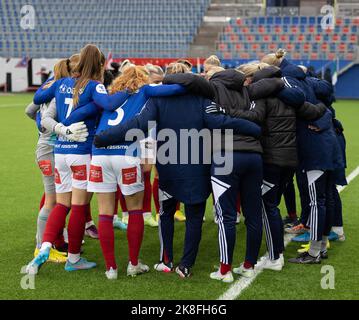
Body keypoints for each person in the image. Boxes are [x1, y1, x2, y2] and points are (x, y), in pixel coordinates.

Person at [94, 63, 262, 279]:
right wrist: (254, 129)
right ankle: (186, 264)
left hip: (168, 167)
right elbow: (221, 122)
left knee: (166, 214)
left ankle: (166, 260)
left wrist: (104, 137)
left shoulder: (158, 99)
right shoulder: (203, 100)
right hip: (197, 167)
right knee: (194, 216)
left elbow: (138, 124)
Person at [159, 64, 284, 281]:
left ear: (214, 77)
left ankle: (224, 271)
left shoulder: (212, 90)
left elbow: (207, 112)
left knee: (226, 216)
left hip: (225, 156)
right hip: (254, 155)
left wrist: (163, 82)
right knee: (252, 214)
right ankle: (248, 265)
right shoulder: (248, 90)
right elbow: (260, 109)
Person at [25, 44, 131, 274]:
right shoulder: (95, 86)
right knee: (79, 206)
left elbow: (38, 97)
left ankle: (44, 246)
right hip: (81, 151)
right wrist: (129, 88)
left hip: (60, 150)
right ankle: (73, 259)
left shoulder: (62, 83)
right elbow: (110, 104)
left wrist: (64, 121)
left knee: (61, 204)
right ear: (100, 65)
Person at [85, 65, 186, 279]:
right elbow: (176, 89)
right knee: (135, 210)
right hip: (127, 154)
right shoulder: (145, 90)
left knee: (104, 212)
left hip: (100, 154)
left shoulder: (110, 95)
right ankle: (133, 264)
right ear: (142, 79)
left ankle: (110, 268)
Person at [234, 63, 326, 271]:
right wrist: (323, 105)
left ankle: (275, 257)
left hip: (271, 160)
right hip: (290, 160)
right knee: (271, 205)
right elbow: (313, 112)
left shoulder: (261, 98)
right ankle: (276, 254)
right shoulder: (289, 98)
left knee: (268, 207)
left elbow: (255, 120)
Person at [262, 49, 342, 264]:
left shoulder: (287, 80)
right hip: (325, 143)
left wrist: (274, 85)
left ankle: (314, 252)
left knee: (317, 201)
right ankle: (321, 247)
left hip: (313, 147)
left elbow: (298, 98)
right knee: (323, 198)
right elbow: (326, 92)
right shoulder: (302, 78)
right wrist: (322, 112)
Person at [24, 57, 84, 263]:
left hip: (49, 147)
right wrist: (48, 129)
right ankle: (40, 247)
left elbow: (29, 110)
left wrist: (41, 126)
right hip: (49, 149)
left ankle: (53, 239)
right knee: (52, 201)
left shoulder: (50, 86)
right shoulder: (62, 91)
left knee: (55, 198)